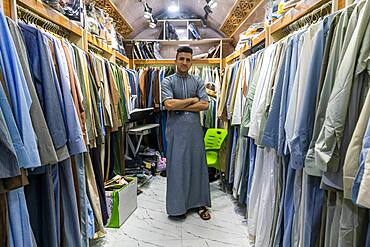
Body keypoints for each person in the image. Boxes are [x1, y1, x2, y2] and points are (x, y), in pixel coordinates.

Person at [161, 46, 212, 220]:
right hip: (175, 132)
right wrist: (192, 100)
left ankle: (199, 204)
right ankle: (178, 207)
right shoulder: (167, 81)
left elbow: (205, 105)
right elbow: (168, 105)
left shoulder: (197, 80)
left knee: (196, 166)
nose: (184, 62)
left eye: (188, 59)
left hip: (194, 133)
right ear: (176, 60)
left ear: (191, 62)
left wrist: (179, 104)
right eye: (181, 58)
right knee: (176, 168)